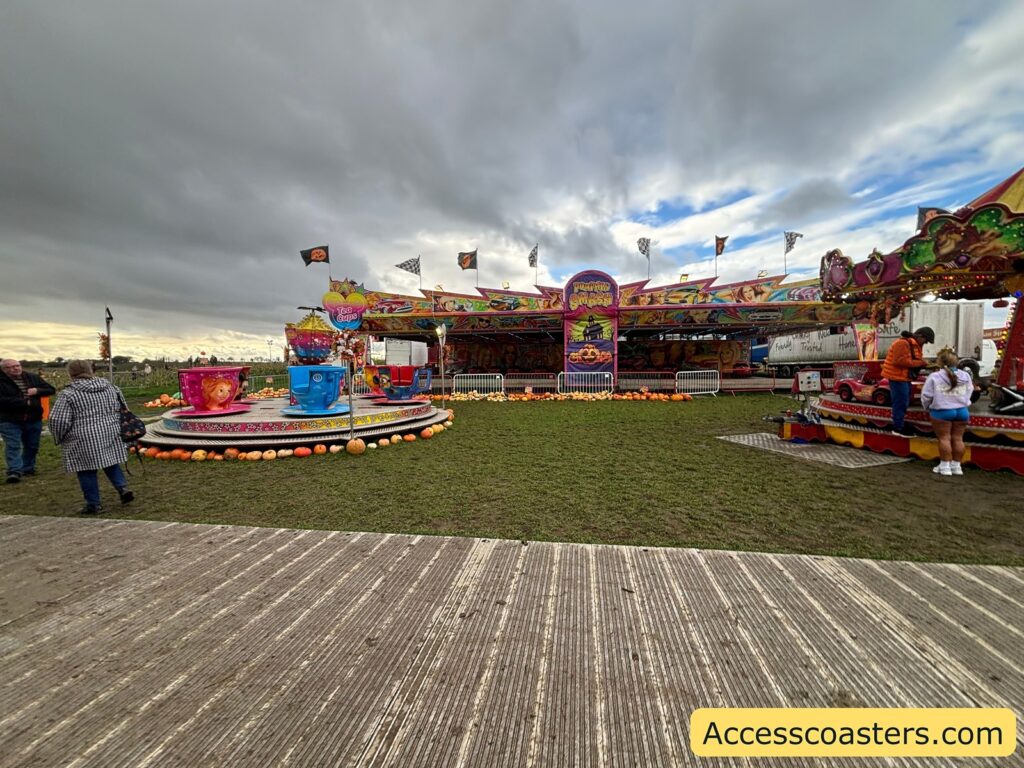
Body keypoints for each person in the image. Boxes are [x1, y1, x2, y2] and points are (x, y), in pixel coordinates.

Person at [48, 359, 135, 514]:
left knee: (86, 469)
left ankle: (93, 503)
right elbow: (124, 409)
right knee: (111, 461)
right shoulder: (111, 388)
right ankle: (123, 488)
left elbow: (58, 420)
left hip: (83, 435)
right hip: (110, 430)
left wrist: (59, 436)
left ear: (70, 373)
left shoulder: (68, 394)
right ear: (91, 370)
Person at [1, 359, 56, 483]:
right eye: (11, 367)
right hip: (9, 419)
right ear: (4, 369)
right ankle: (14, 471)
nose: (16, 368)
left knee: (32, 445)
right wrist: (22, 402)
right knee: (13, 445)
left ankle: (27, 468)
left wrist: (38, 391)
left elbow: (51, 389)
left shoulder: (32, 377)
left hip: (33, 417)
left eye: (17, 365)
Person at [921, 349, 974, 476]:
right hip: (962, 411)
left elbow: (926, 395)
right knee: (958, 438)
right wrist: (964, 402)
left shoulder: (934, 376)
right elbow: (970, 390)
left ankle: (945, 466)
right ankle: (956, 466)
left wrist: (927, 407)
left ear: (940, 362)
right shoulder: (965, 376)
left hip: (942, 411)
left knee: (944, 438)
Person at [881, 326, 934, 436]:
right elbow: (899, 361)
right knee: (900, 402)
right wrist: (921, 363)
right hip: (897, 377)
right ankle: (897, 428)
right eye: (926, 341)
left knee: (904, 402)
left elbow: (911, 360)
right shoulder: (903, 343)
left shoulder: (912, 344)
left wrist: (923, 363)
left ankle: (900, 424)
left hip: (904, 377)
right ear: (920, 336)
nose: (925, 343)